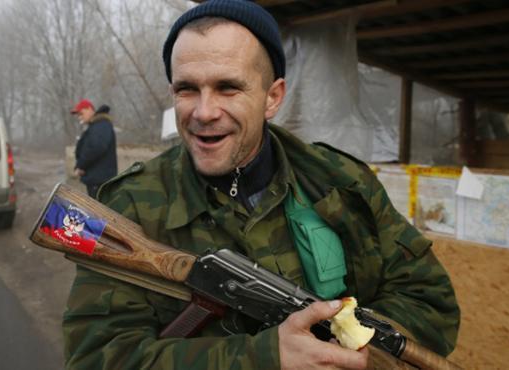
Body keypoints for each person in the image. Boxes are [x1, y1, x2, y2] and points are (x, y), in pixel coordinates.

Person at [63, 1, 460, 369]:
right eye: (187, 89)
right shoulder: (126, 205)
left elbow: (431, 303)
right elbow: (96, 357)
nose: (203, 112)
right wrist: (262, 357)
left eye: (228, 87)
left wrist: (350, 348)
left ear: (273, 97)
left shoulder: (341, 182)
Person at [70, 99, 117, 199]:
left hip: (100, 180)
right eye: (78, 115)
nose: (79, 117)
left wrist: (81, 166)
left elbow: (97, 147)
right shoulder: (97, 126)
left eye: (81, 114)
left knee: (99, 211)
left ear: (89, 109)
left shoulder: (101, 125)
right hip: (97, 179)